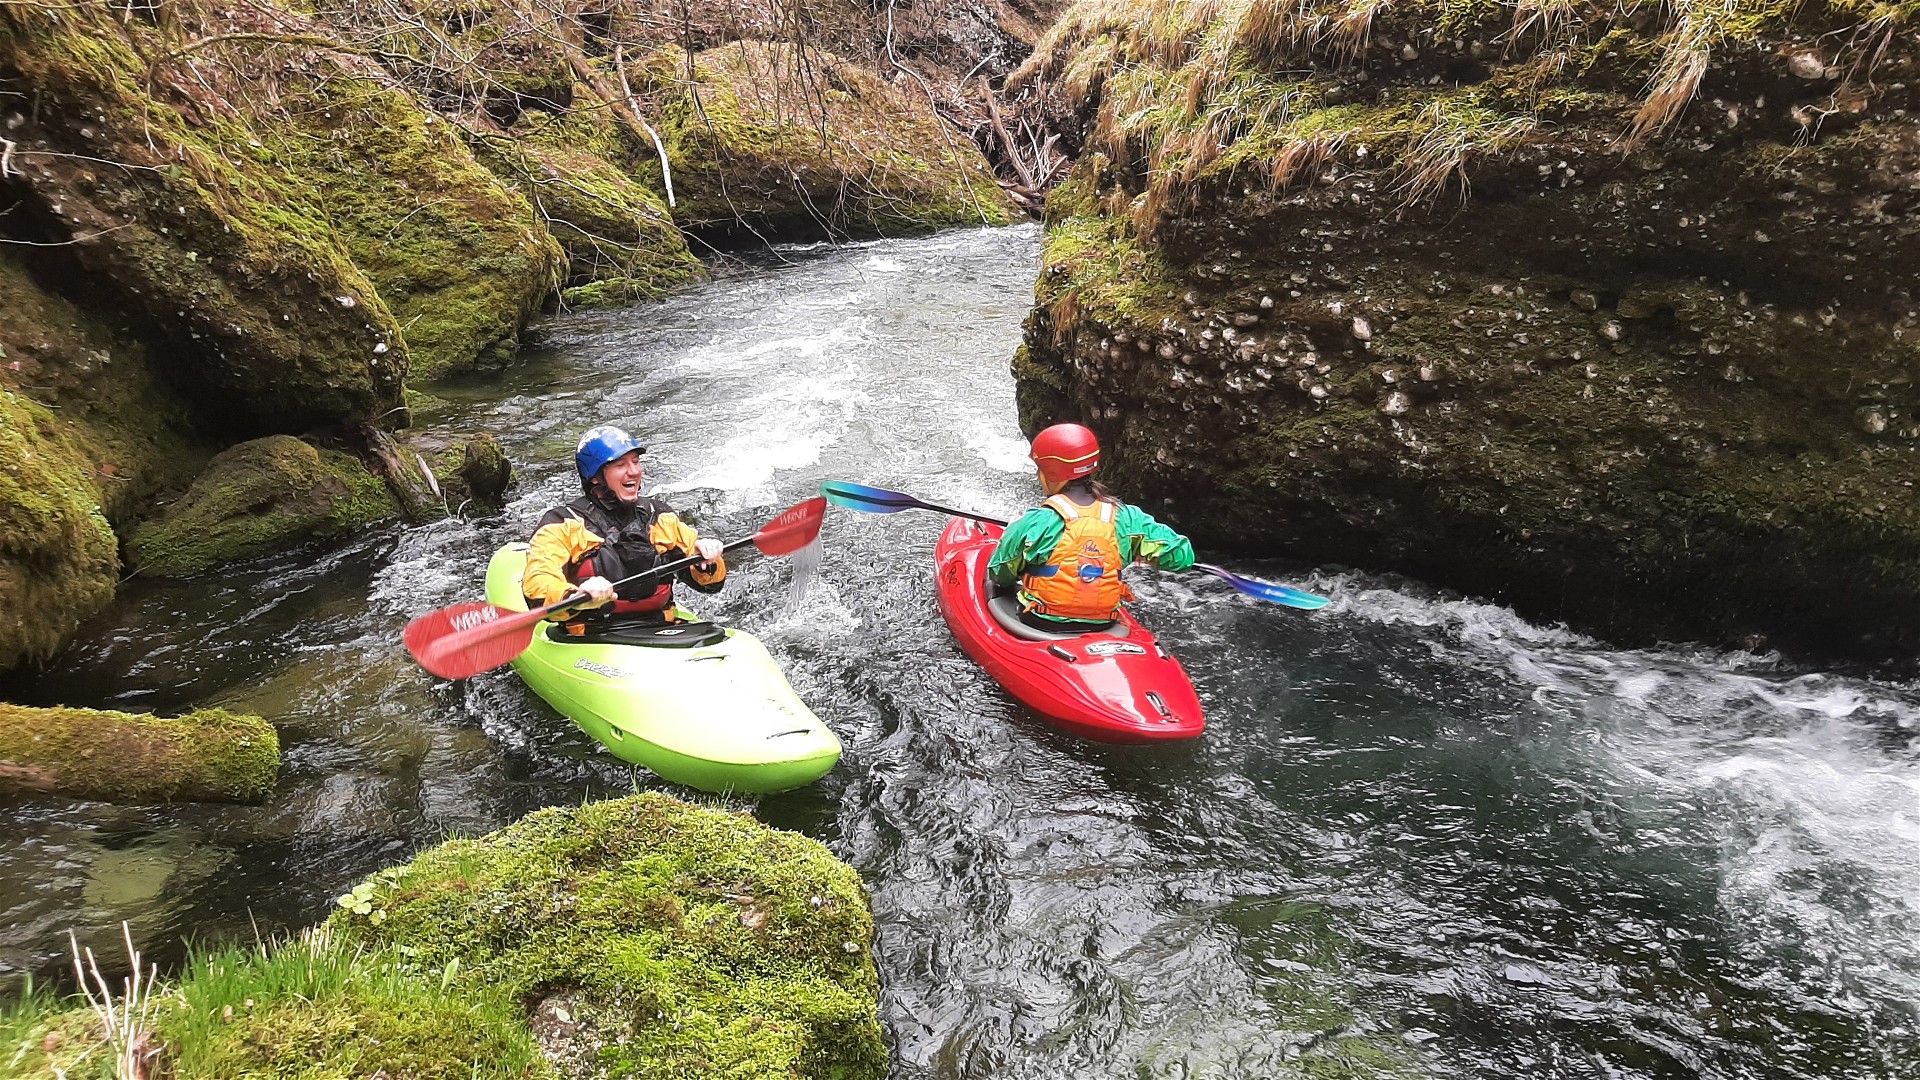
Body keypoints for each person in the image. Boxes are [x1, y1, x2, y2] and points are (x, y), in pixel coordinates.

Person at [987, 422, 1195, 630]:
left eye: (1040, 469)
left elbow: (999, 573)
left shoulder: (1036, 521)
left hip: (1041, 621)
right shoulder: (1128, 518)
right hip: (1104, 623)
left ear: (1051, 472)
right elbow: (1182, 556)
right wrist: (1141, 551)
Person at [522, 425, 726, 632]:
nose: (634, 471)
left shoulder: (658, 515)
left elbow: (709, 585)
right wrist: (576, 597)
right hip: (591, 634)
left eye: (636, 462)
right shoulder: (562, 522)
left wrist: (708, 559)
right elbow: (538, 583)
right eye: (620, 465)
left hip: (660, 626)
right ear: (595, 477)